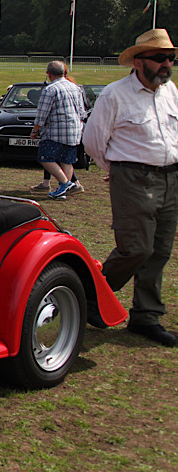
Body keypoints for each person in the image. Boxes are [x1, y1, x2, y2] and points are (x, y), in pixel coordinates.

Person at [83, 28, 178, 346]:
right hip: (134, 178)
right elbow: (94, 141)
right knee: (136, 248)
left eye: (171, 58)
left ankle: (145, 317)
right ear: (138, 62)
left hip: (169, 178)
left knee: (159, 251)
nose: (166, 64)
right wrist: (118, 171)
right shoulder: (115, 94)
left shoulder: (170, 91)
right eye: (159, 58)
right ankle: (91, 299)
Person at [29, 60, 86, 199]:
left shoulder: (50, 89)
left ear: (49, 74)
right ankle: (62, 190)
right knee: (67, 160)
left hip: (56, 131)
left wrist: (35, 130)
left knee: (45, 158)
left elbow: (42, 113)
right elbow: (81, 111)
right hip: (75, 130)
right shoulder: (75, 87)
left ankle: (65, 183)